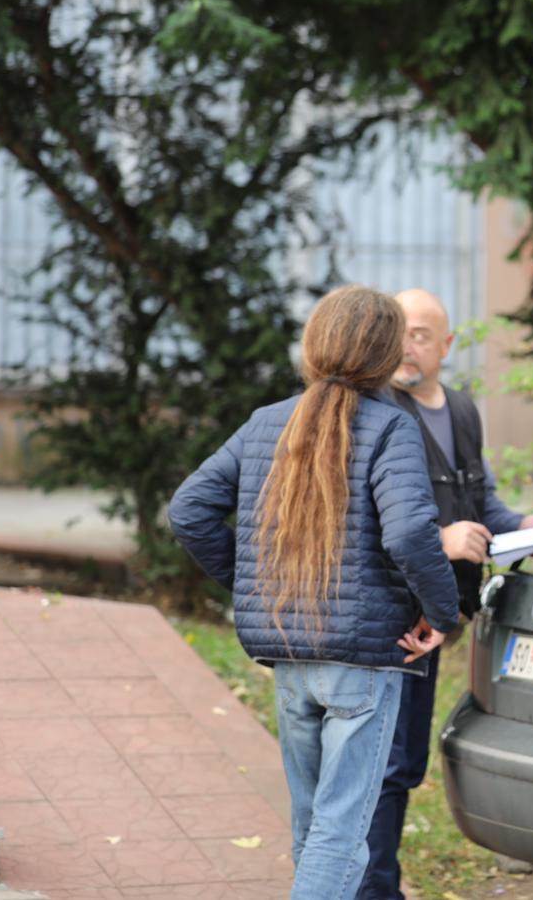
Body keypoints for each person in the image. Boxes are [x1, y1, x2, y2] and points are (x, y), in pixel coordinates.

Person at [168, 285, 461, 900]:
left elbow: (189, 510)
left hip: (291, 662)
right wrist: (441, 614)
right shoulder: (391, 427)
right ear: (383, 354)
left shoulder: (266, 423)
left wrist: (254, 581)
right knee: (340, 833)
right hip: (362, 664)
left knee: (313, 828)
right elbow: (411, 531)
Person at [359, 288, 533, 900]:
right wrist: (438, 538)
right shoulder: (374, 410)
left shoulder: (463, 409)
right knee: (386, 765)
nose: (406, 346)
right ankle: (375, 888)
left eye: (421, 335)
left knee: (406, 761)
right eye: (399, 332)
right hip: (389, 612)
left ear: (446, 346)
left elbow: (480, 498)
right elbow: (358, 515)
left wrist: (522, 525)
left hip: (438, 614)